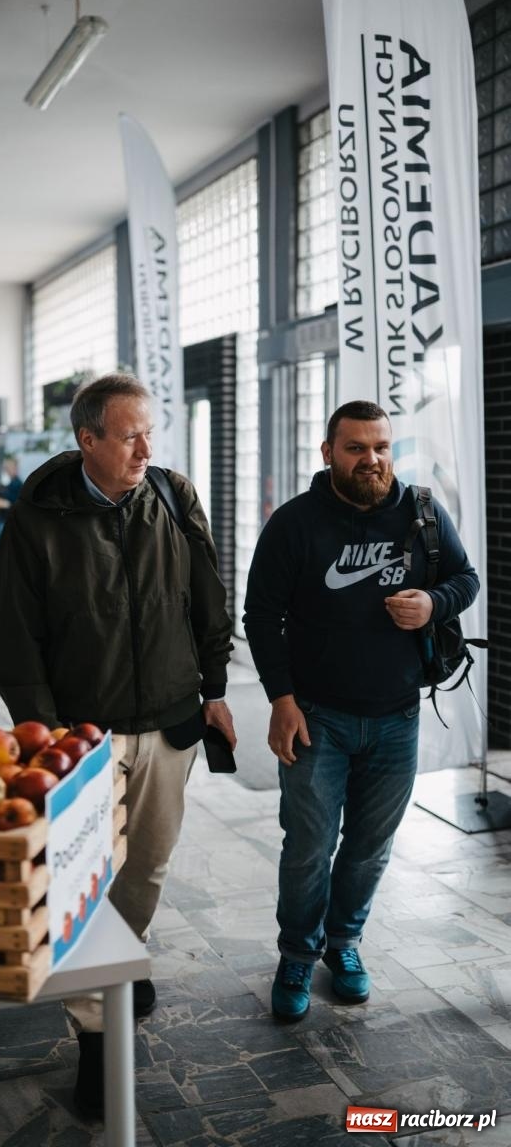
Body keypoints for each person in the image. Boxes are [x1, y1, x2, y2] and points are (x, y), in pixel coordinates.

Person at [0, 373, 236, 1118]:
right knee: (79, 881)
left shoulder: (170, 494)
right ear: (87, 439)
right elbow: (16, 641)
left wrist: (216, 684)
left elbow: (206, 594)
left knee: (145, 870)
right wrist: (48, 733)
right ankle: (96, 1039)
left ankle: (119, 961)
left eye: (149, 432)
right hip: (81, 734)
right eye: (128, 435)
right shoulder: (36, 517)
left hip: (167, 719)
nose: (144, 448)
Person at [243, 400, 479, 1023]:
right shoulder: (294, 524)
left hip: (398, 716)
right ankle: (297, 952)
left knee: (371, 846)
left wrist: (433, 603)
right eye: (356, 447)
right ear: (328, 453)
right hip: (317, 715)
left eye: (380, 446)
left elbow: (467, 579)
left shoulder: (423, 512)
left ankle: (343, 944)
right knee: (308, 846)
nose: (371, 459)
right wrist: (281, 700)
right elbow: (261, 617)